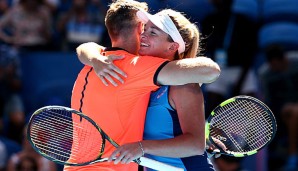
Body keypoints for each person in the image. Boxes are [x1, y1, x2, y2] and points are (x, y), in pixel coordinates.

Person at [68, 0, 220, 171]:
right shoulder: (141, 77)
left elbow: (195, 146)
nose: (143, 36)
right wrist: (94, 58)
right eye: (144, 30)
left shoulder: (183, 86)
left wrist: (141, 147)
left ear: (173, 46)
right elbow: (86, 47)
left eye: (153, 33)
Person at [258, 44, 298, 171]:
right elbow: (269, 100)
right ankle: (292, 157)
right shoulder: (265, 74)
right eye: (272, 65)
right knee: (295, 113)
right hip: (283, 109)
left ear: (284, 59)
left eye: (278, 65)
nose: (275, 68)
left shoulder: (296, 61)